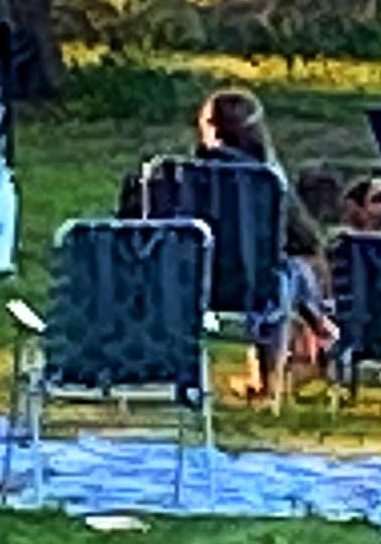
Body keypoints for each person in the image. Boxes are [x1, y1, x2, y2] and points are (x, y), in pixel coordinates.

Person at [127, 85, 332, 386]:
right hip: (252, 285)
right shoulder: (267, 182)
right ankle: (290, 360)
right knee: (293, 271)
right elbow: (305, 237)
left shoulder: (177, 177)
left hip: (186, 283)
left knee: (285, 274)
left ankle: (186, 378)